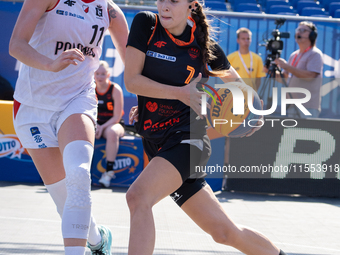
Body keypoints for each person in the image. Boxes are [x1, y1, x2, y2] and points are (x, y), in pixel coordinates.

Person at [124, 0, 287, 254]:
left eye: (174, 1)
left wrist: (253, 115)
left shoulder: (203, 46)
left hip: (188, 142)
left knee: (138, 197)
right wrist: (162, 99)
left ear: (191, 5)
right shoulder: (146, 23)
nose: (164, 6)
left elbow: (243, 92)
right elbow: (132, 81)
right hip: (157, 142)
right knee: (224, 233)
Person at [9, 0, 128, 254]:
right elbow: (16, 45)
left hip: (77, 99)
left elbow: (135, 65)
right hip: (32, 107)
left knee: (78, 173)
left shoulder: (111, 12)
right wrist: (50, 64)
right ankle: (97, 240)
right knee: (63, 197)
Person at [274, 21, 323, 118]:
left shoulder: (315, 54)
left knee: (307, 133)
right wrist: (270, 71)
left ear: (312, 35)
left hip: (307, 106)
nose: (298, 33)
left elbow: (310, 76)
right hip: (291, 105)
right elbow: (284, 78)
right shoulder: (294, 55)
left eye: (303, 30)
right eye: (298, 30)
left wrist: (287, 66)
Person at [94, 60, 125, 188]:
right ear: (93, 75)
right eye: (97, 74)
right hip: (96, 124)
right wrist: (95, 126)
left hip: (112, 124)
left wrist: (101, 127)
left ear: (108, 75)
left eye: (103, 74)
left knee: (112, 133)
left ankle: (108, 172)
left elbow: (117, 117)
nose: (100, 77)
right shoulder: (90, 89)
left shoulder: (115, 89)